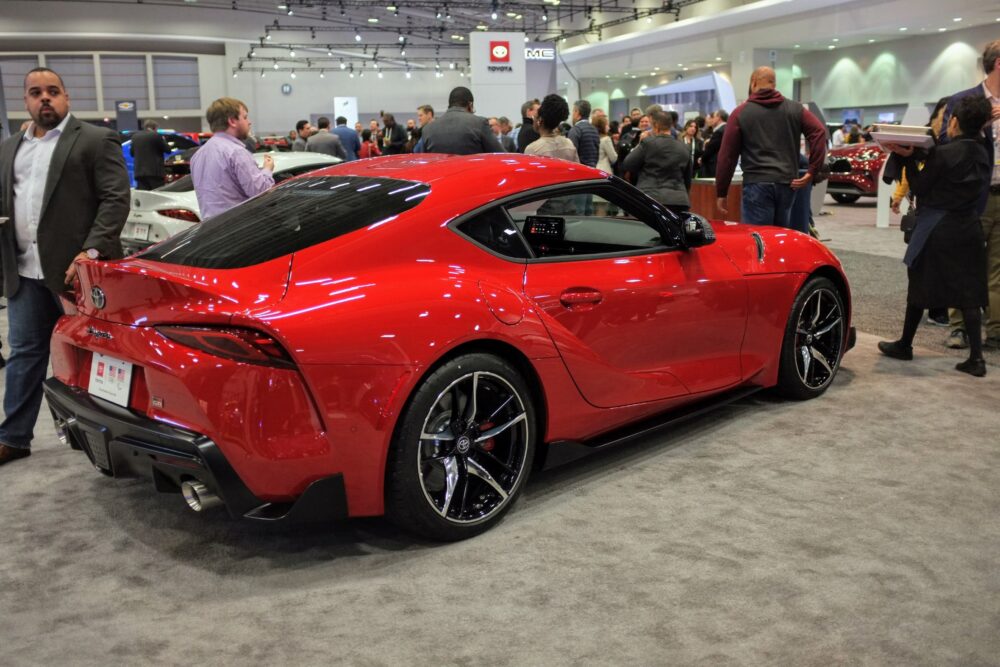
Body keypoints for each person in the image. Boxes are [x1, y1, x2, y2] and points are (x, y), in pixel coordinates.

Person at [0, 67, 130, 466]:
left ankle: (118, 438)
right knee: (25, 353)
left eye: (52, 91)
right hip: (24, 271)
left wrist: (90, 252)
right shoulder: (9, 149)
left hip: (79, 275)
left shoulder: (93, 140)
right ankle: (13, 437)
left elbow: (115, 200)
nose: (45, 98)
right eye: (36, 92)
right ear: (25, 101)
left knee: (100, 356)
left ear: (66, 98)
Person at [877, 96, 992, 377]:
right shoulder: (983, 152)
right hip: (968, 227)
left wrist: (905, 160)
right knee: (969, 292)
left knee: (918, 284)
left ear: (954, 122)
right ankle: (976, 358)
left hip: (937, 227)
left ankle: (905, 344)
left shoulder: (944, 153)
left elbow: (922, 188)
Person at [938, 39, 1000, 352]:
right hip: (973, 196)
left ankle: (996, 330)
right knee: (963, 263)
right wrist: (983, 122)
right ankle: (959, 327)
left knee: (997, 269)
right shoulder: (965, 101)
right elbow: (946, 144)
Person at [715, 67, 827, 226]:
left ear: (753, 82)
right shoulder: (795, 109)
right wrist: (812, 171)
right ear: (774, 84)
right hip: (787, 183)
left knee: (758, 239)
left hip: (756, 184)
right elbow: (819, 132)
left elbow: (727, 156)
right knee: (779, 237)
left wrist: (722, 191)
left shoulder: (740, 113)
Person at [190, 97, 274, 220]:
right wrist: (267, 169)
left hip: (210, 231)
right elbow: (261, 193)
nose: (249, 122)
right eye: (245, 117)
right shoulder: (236, 152)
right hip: (238, 230)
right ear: (232, 121)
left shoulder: (197, 156)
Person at [622, 110, 691, 215]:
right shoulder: (684, 147)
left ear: (656, 125)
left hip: (650, 198)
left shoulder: (648, 143)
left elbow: (628, 164)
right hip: (679, 200)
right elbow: (687, 178)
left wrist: (640, 143)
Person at [419, 86, 502, 155]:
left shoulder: (427, 129)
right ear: (470, 105)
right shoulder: (479, 123)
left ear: (450, 104)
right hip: (472, 174)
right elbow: (500, 155)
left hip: (439, 174)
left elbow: (423, 161)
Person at [524, 94, 579, 163]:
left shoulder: (532, 149)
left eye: (534, 117)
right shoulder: (569, 144)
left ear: (539, 120)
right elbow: (577, 170)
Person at [130, 119, 169, 190]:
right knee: (157, 197)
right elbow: (168, 150)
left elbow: (132, 153)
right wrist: (164, 140)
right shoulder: (157, 135)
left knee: (144, 197)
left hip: (139, 173)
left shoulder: (135, 137)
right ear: (154, 127)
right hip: (155, 173)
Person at [567, 99, 600, 168]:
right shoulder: (594, 129)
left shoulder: (576, 130)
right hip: (593, 170)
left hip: (580, 171)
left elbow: (571, 155)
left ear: (577, 112)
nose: (572, 114)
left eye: (573, 111)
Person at [699, 109, 727, 178]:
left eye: (713, 117)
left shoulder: (719, 131)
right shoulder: (727, 128)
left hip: (713, 166)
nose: (711, 120)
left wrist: (701, 158)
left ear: (718, 117)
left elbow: (711, 149)